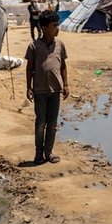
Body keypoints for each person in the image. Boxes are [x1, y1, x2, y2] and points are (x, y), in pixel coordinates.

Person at [25, 10, 69, 165]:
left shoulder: (60, 45)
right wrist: (28, 87)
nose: (57, 28)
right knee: (40, 123)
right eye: (54, 25)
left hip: (55, 90)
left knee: (52, 124)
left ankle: (48, 152)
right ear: (44, 28)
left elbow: (63, 65)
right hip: (40, 90)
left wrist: (66, 84)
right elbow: (29, 68)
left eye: (58, 24)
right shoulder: (34, 46)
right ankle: (38, 153)